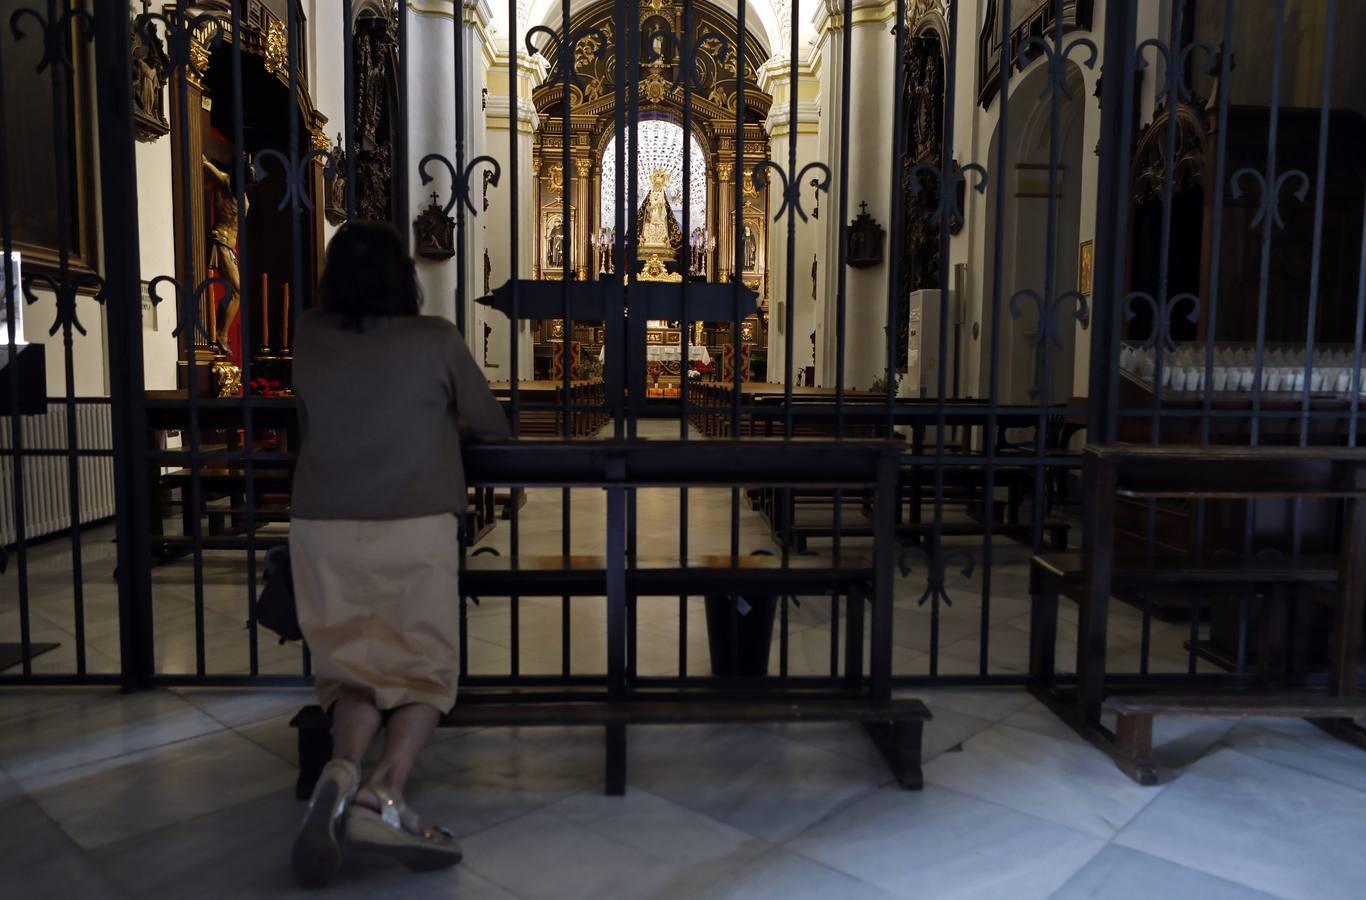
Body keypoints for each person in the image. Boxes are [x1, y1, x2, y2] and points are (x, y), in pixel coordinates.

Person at [287, 221, 510, 888]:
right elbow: (493, 425)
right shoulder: (434, 337)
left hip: (321, 524)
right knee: (423, 672)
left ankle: (340, 767)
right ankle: (382, 791)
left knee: (349, 669)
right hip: (414, 522)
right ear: (403, 277)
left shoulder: (307, 333)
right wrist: (440, 419)